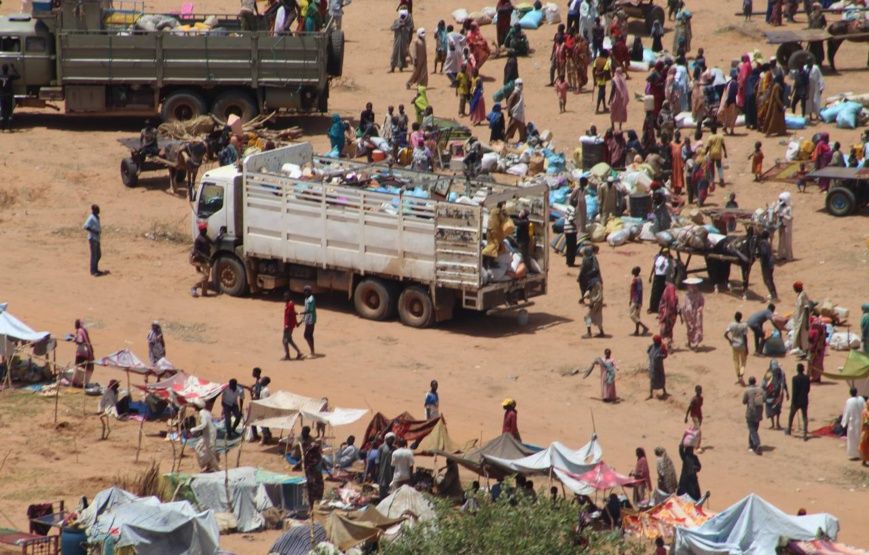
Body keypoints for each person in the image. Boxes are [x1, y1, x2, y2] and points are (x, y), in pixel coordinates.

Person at [190, 399, 220, 472]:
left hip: (210, 435)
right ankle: (206, 465)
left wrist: (194, 429)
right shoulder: (206, 412)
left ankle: (216, 469)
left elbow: (204, 424)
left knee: (210, 452)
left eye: (194, 406)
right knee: (198, 448)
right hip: (208, 434)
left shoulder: (202, 413)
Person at [299, 426, 324, 504]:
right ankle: (314, 498)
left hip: (312, 468)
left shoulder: (313, 452)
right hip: (311, 467)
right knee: (312, 482)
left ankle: (315, 498)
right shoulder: (300, 439)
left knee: (313, 483)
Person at [786, 363, 810, 441]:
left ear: (797, 370)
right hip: (804, 400)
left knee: (791, 415)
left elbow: (794, 391)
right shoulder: (807, 378)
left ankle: (789, 430)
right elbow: (808, 389)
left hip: (796, 401)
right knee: (805, 417)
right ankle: (805, 434)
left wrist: (793, 402)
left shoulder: (795, 378)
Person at [725, 311, 750, 386]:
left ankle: (738, 376)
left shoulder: (731, 324)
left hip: (734, 345)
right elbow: (745, 338)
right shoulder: (744, 325)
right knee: (743, 362)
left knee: (736, 361)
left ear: (735, 317)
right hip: (742, 345)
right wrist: (747, 348)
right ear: (741, 318)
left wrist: (730, 340)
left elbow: (725, 334)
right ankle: (741, 376)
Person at [762, 360, 789, 430]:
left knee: (773, 408)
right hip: (775, 393)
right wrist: (787, 393)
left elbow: (764, 384)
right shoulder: (780, 372)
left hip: (773, 393)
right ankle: (776, 423)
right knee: (776, 408)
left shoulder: (771, 372)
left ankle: (774, 424)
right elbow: (784, 383)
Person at [841, 387, 865, 461]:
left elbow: (846, 412)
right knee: (860, 438)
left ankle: (855, 454)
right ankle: (861, 453)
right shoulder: (861, 399)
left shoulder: (849, 401)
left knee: (853, 439)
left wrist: (844, 423)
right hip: (861, 421)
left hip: (853, 423)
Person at [190, 222, 213, 298]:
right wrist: (206, 257)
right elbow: (196, 251)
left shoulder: (206, 237)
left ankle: (204, 292)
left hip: (204, 259)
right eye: (204, 229)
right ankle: (194, 287)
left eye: (205, 228)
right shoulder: (198, 239)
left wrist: (220, 236)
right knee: (206, 275)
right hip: (197, 259)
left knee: (206, 275)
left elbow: (213, 243)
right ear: (201, 230)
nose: (206, 230)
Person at [743, 376, 764, 455]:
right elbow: (764, 399)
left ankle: (757, 444)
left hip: (750, 413)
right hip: (759, 413)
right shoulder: (760, 389)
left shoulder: (747, 390)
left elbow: (744, 401)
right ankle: (751, 445)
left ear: (749, 382)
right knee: (754, 429)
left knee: (752, 430)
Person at [681, 278, 704, 349]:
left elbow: (702, 304)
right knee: (689, 328)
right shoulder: (687, 295)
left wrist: (700, 309)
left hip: (696, 315)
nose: (690, 287)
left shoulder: (699, 295)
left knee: (697, 328)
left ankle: (696, 344)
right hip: (688, 315)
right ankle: (689, 342)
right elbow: (685, 304)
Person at [756, 231, 778, 302]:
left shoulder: (762, 243)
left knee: (767, 280)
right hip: (771, 263)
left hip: (766, 264)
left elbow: (764, 253)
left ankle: (773, 296)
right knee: (770, 279)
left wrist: (759, 255)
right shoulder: (767, 243)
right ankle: (773, 294)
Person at [73, 319, 95, 386]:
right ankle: (84, 383)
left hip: (81, 353)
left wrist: (75, 339)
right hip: (87, 352)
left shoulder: (79, 331)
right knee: (85, 368)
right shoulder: (84, 330)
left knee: (79, 368)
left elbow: (80, 340)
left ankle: (77, 383)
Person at [629, 266, 650, 336]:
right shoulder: (636, 279)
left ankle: (644, 327)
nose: (632, 270)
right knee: (637, 315)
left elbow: (639, 291)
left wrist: (637, 301)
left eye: (634, 269)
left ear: (636, 271)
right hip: (635, 299)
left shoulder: (637, 279)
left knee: (632, 315)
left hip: (636, 300)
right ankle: (637, 331)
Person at [791, 282, 811, 355]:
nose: (794, 290)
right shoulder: (799, 295)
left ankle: (806, 352)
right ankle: (802, 351)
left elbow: (806, 308)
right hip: (799, 320)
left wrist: (807, 322)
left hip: (803, 320)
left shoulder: (803, 295)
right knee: (799, 336)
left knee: (804, 336)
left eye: (794, 288)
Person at [657, 282, 679, 348]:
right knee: (669, 330)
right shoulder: (675, 297)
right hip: (671, 317)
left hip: (666, 316)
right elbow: (677, 307)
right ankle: (668, 345)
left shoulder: (665, 293)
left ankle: (665, 346)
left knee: (664, 331)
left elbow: (661, 305)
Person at [83, 204, 103, 277]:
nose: (98, 211)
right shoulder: (91, 217)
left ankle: (96, 269)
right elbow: (85, 226)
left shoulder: (96, 217)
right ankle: (93, 271)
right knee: (94, 255)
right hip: (92, 238)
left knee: (98, 255)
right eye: (97, 210)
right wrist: (94, 231)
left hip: (97, 238)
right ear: (93, 210)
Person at [648, 249, 670, 313]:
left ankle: (659, 307)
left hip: (664, 277)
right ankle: (652, 308)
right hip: (658, 277)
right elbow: (655, 266)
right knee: (655, 293)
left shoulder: (667, 259)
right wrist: (650, 276)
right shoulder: (659, 258)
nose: (667, 254)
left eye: (667, 252)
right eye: (666, 253)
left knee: (661, 293)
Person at [647, 335, 668, 400]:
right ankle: (651, 394)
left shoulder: (662, 347)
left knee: (661, 378)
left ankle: (664, 392)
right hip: (652, 366)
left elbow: (665, 355)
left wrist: (660, 356)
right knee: (652, 379)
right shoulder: (652, 346)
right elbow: (648, 351)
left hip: (659, 367)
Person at [0, 64, 20, 131]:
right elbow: (18, 76)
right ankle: (9, 127)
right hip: (9, 95)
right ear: (8, 69)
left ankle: (2, 127)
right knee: (9, 111)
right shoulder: (10, 76)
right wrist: (13, 68)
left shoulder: (0, 76)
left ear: (2, 69)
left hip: (2, 95)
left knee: (2, 110)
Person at [376, 432, 397, 497]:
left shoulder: (395, 448)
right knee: (382, 482)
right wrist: (377, 468)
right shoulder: (381, 447)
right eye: (390, 439)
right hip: (383, 468)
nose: (391, 440)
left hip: (391, 468)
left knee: (390, 483)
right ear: (386, 439)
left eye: (392, 439)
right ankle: (382, 496)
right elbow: (377, 459)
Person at [807, 316, 826, 382]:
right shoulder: (821, 331)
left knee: (811, 363)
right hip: (821, 350)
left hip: (814, 350)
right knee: (819, 364)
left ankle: (811, 377)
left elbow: (811, 341)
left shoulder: (813, 331)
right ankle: (817, 377)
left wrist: (812, 349)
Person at [685, 385, 704, 449]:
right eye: (698, 390)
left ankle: (690, 440)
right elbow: (689, 408)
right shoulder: (694, 399)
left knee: (696, 429)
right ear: (696, 391)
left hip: (699, 415)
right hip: (694, 415)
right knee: (698, 430)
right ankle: (697, 445)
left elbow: (699, 406)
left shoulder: (701, 398)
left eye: (700, 390)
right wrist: (686, 417)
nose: (700, 392)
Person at [301, 286, 317, 356]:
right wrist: (301, 321)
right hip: (308, 319)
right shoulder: (306, 299)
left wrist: (300, 313)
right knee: (310, 335)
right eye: (304, 291)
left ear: (310, 292)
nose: (305, 292)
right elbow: (306, 310)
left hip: (311, 319)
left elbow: (310, 310)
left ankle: (312, 352)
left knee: (306, 335)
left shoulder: (311, 299)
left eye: (306, 291)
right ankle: (312, 352)